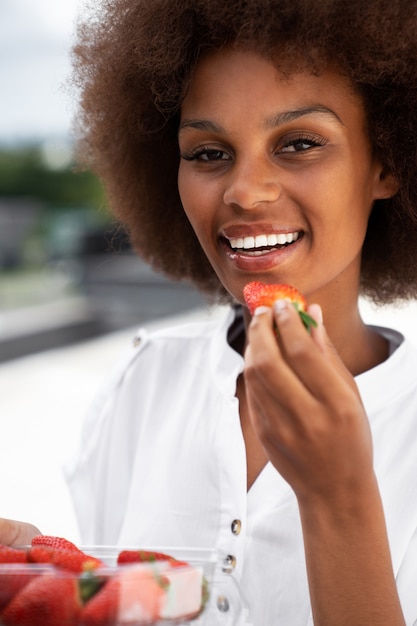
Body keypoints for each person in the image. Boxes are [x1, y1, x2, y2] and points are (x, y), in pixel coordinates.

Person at [3, 0, 417, 624]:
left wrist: (338, 499)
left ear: (386, 162)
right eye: (207, 153)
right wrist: (66, 583)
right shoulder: (140, 386)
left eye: (299, 143)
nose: (245, 192)